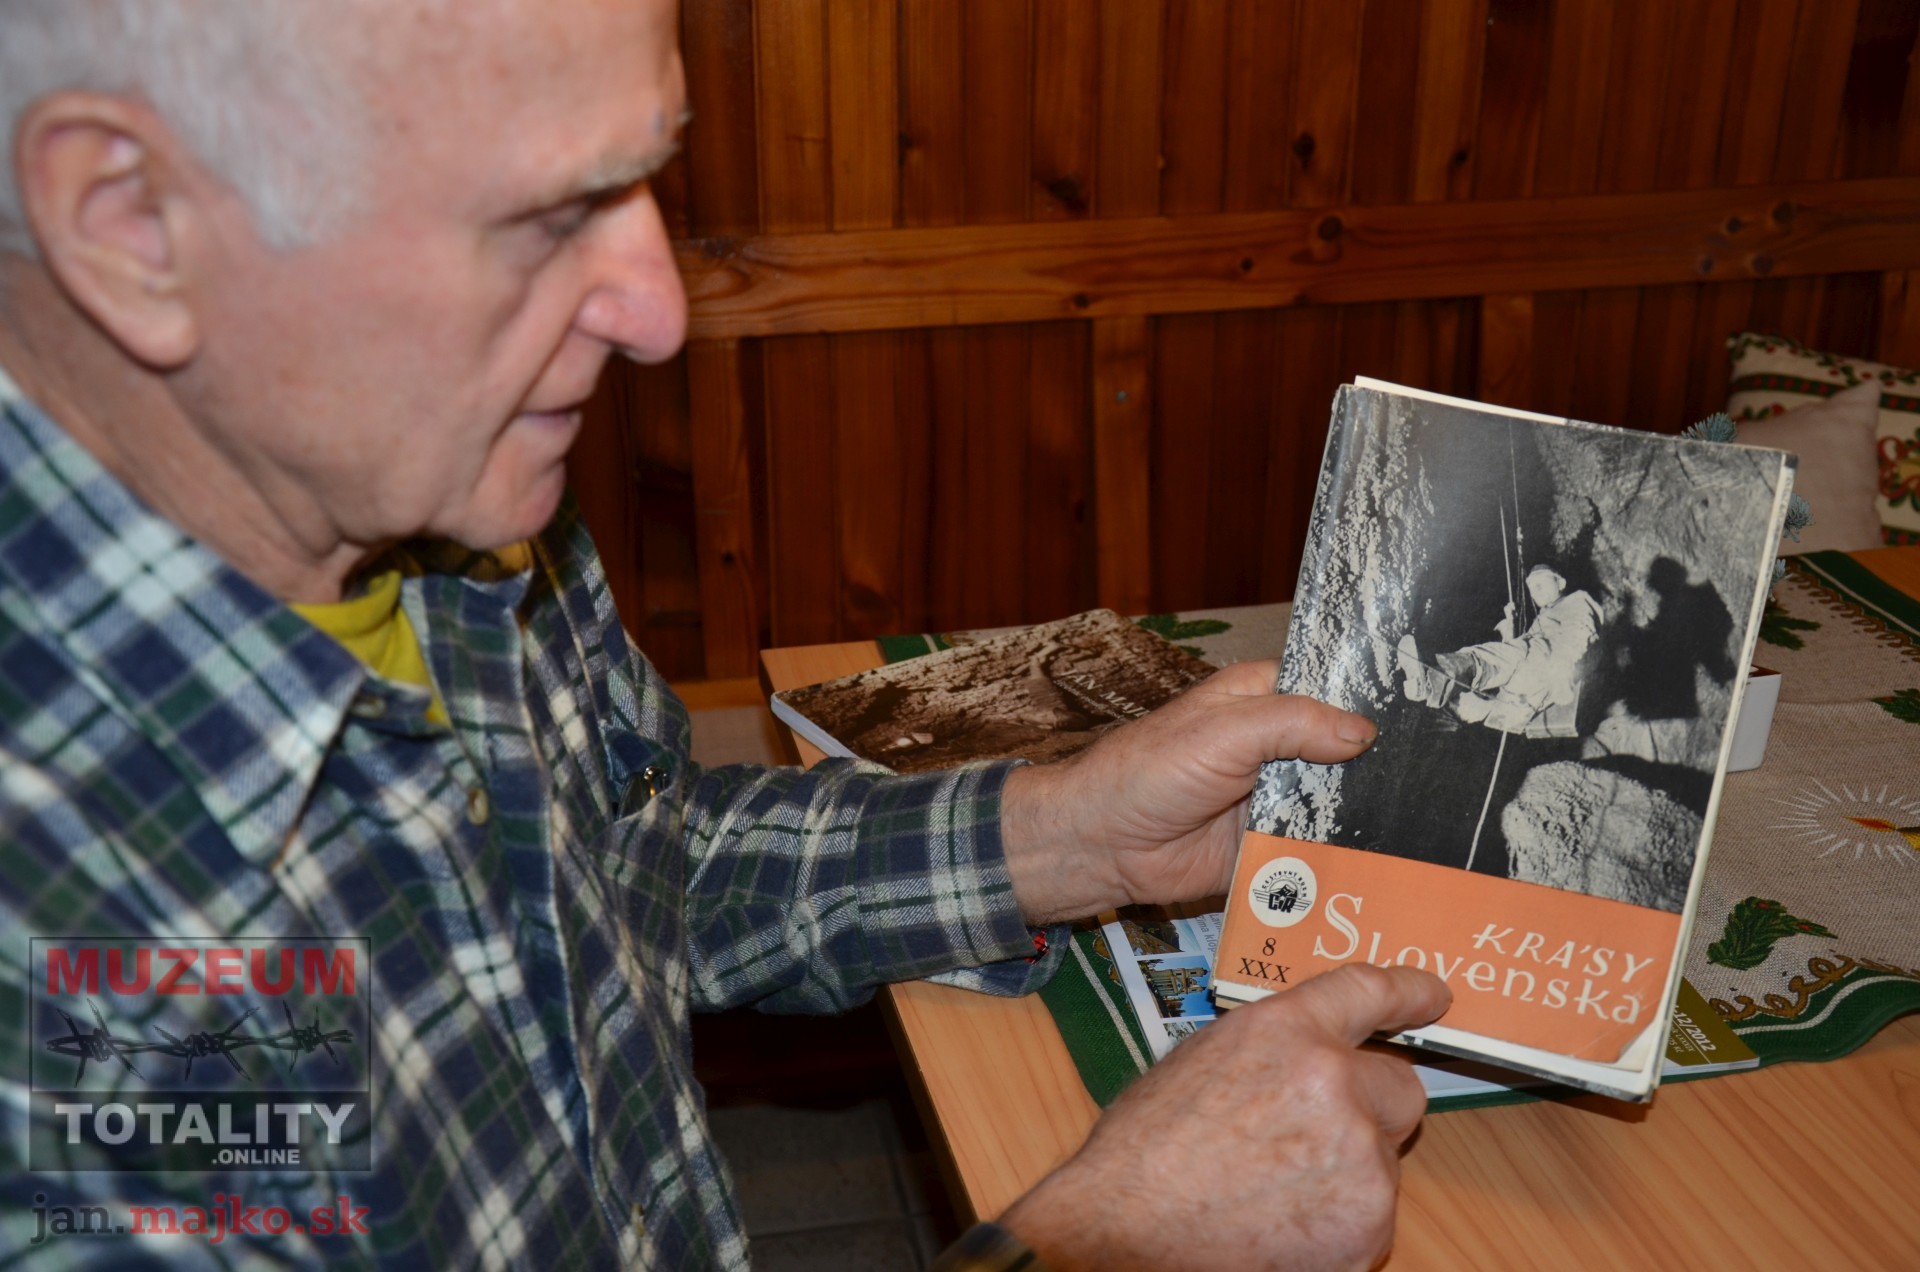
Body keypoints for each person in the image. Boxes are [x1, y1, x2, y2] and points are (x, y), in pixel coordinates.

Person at [0, 2, 1450, 1268]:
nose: (656, 313)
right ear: (132, 225)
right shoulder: (43, 969)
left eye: (648, 177)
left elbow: (627, 869)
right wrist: (1111, 1244)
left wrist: (1071, 835)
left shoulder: (434, 490)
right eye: (544, 215)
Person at [1400, 565, 1602, 738]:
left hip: (1548, 677)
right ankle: (1425, 692)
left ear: (1561, 583)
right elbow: (1514, 663)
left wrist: (1561, 670)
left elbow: (1580, 633)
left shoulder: (1576, 601)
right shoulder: (1542, 619)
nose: (1536, 589)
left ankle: (1433, 680)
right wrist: (1510, 627)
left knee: (1497, 656)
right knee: (1464, 702)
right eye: (1532, 587)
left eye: (1542, 582)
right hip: (1518, 701)